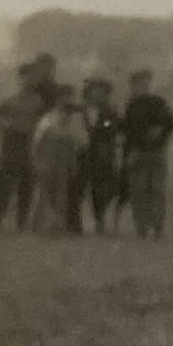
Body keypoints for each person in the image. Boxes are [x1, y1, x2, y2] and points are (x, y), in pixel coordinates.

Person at [0, 63, 45, 231]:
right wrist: (4, 127)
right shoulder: (10, 97)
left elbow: (40, 121)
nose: (30, 80)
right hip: (12, 141)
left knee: (27, 182)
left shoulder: (37, 100)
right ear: (20, 78)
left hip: (29, 141)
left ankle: (22, 222)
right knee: (4, 182)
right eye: (26, 76)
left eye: (33, 77)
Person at [119, 69, 173, 238]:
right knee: (139, 191)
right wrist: (128, 153)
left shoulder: (157, 102)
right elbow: (126, 131)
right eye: (139, 83)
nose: (142, 86)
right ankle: (142, 227)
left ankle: (157, 226)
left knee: (156, 190)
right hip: (138, 152)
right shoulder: (131, 105)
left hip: (155, 152)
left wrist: (160, 131)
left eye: (145, 82)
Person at [27, 92, 89, 233]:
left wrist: (72, 165)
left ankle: (58, 224)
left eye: (68, 112)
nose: (65, 114)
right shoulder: (47, 121)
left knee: (61, 195)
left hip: (63, 166)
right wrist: (36, 162)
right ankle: (40, 224)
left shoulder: (72, 127)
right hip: (47, 164)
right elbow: (36, 143)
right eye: (63, 110)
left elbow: (77, 147)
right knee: (45, 194)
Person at [78, 77, 123, 233]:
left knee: (105, 187)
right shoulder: (80, 111)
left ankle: (100, 219)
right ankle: (76, 223)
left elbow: (113, 125)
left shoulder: (110, 111)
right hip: (82, 153)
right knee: (79, 187)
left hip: (103, 153)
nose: (98, 95)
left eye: (101, 92)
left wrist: (101, 127)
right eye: (94, 91)